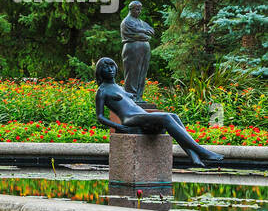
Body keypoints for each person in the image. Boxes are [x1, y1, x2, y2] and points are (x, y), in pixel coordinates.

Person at [94, 57, 223, 166]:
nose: (110, 70)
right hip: (130, 118)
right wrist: (119, 127)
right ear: (100, 71)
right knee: (166, 117)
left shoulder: (119, 87)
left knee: (173, 115)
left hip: (142, 115)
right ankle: (201, 151)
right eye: (106, 67)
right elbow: (100, 116)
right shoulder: (102, 91)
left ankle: (193, 155)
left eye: (112, 66)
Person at [119, 0, 155, 99]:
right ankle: (131, 96)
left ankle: (139, 96)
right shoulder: (126, 22)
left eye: (140, 9)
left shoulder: (141, 22)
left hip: (144, 50)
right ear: (131, 9)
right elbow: (135, 34)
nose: (139, 12)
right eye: (137, 9)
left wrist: (146, 33)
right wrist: (144, 34)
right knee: (132, 73)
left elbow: (151, 29)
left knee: (142, 73)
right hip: (132, 49)